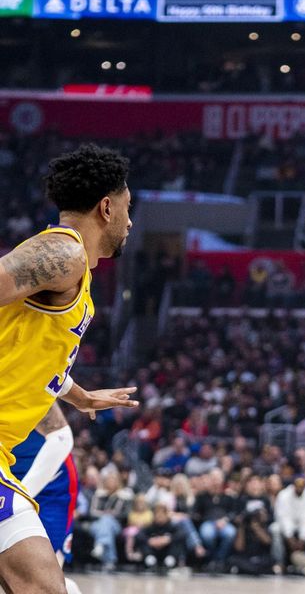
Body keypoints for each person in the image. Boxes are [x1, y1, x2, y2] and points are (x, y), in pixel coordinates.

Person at [0, 143, 139, 593]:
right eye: (127, 208)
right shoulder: (65, 254)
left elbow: (30, 353)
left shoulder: (72, 266)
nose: (130, 221)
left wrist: (80, 396)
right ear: (106, 207)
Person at [10, 404, 83, 594]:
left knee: (47, 579)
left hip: (51, 481)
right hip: (8, 475)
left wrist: (22, 495)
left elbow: (61, 438)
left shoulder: (20, 379)